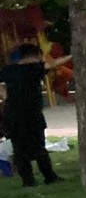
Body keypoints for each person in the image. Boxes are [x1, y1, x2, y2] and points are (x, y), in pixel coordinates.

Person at [0, 44, 69, 187]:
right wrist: (73, 55)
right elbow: (52, 64)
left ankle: (28, 181)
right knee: (39, 147)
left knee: (19, 150)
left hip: (12, 116)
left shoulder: (9, 70)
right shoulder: (33, 68)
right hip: (31, 115)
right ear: (34, 56)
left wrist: (4, 94)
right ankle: (49, 177)